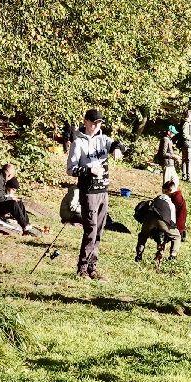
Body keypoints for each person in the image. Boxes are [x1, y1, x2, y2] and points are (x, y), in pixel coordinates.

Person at [66, 109, 124, 279]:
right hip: (89, 191)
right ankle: (82, 268)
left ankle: (93, 267)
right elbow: (70, 170)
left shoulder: (103, 139)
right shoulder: (78, 143)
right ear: (85, 122)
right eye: (93, 123)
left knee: (99, 230)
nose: (96, 126)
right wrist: (89, 170)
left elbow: (118, 144)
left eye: (99, 123)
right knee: (90, 230)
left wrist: (117, 148)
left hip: (103, 191)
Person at [0, 161, 36, 234]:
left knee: (18, 202)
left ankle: (27, 224)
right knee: (12, 204)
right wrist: (10, 198)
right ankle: (25, 227)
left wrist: (9, 197)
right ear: (9, 175)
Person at [134, 184, 180, 261]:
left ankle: (139, 255)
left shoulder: (154, 200)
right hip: (162, 219)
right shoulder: (170, 203)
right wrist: (172, 229)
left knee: (143, 235)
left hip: (149, 217)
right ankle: (173, 256)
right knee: (176, 236)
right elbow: (172, 221)